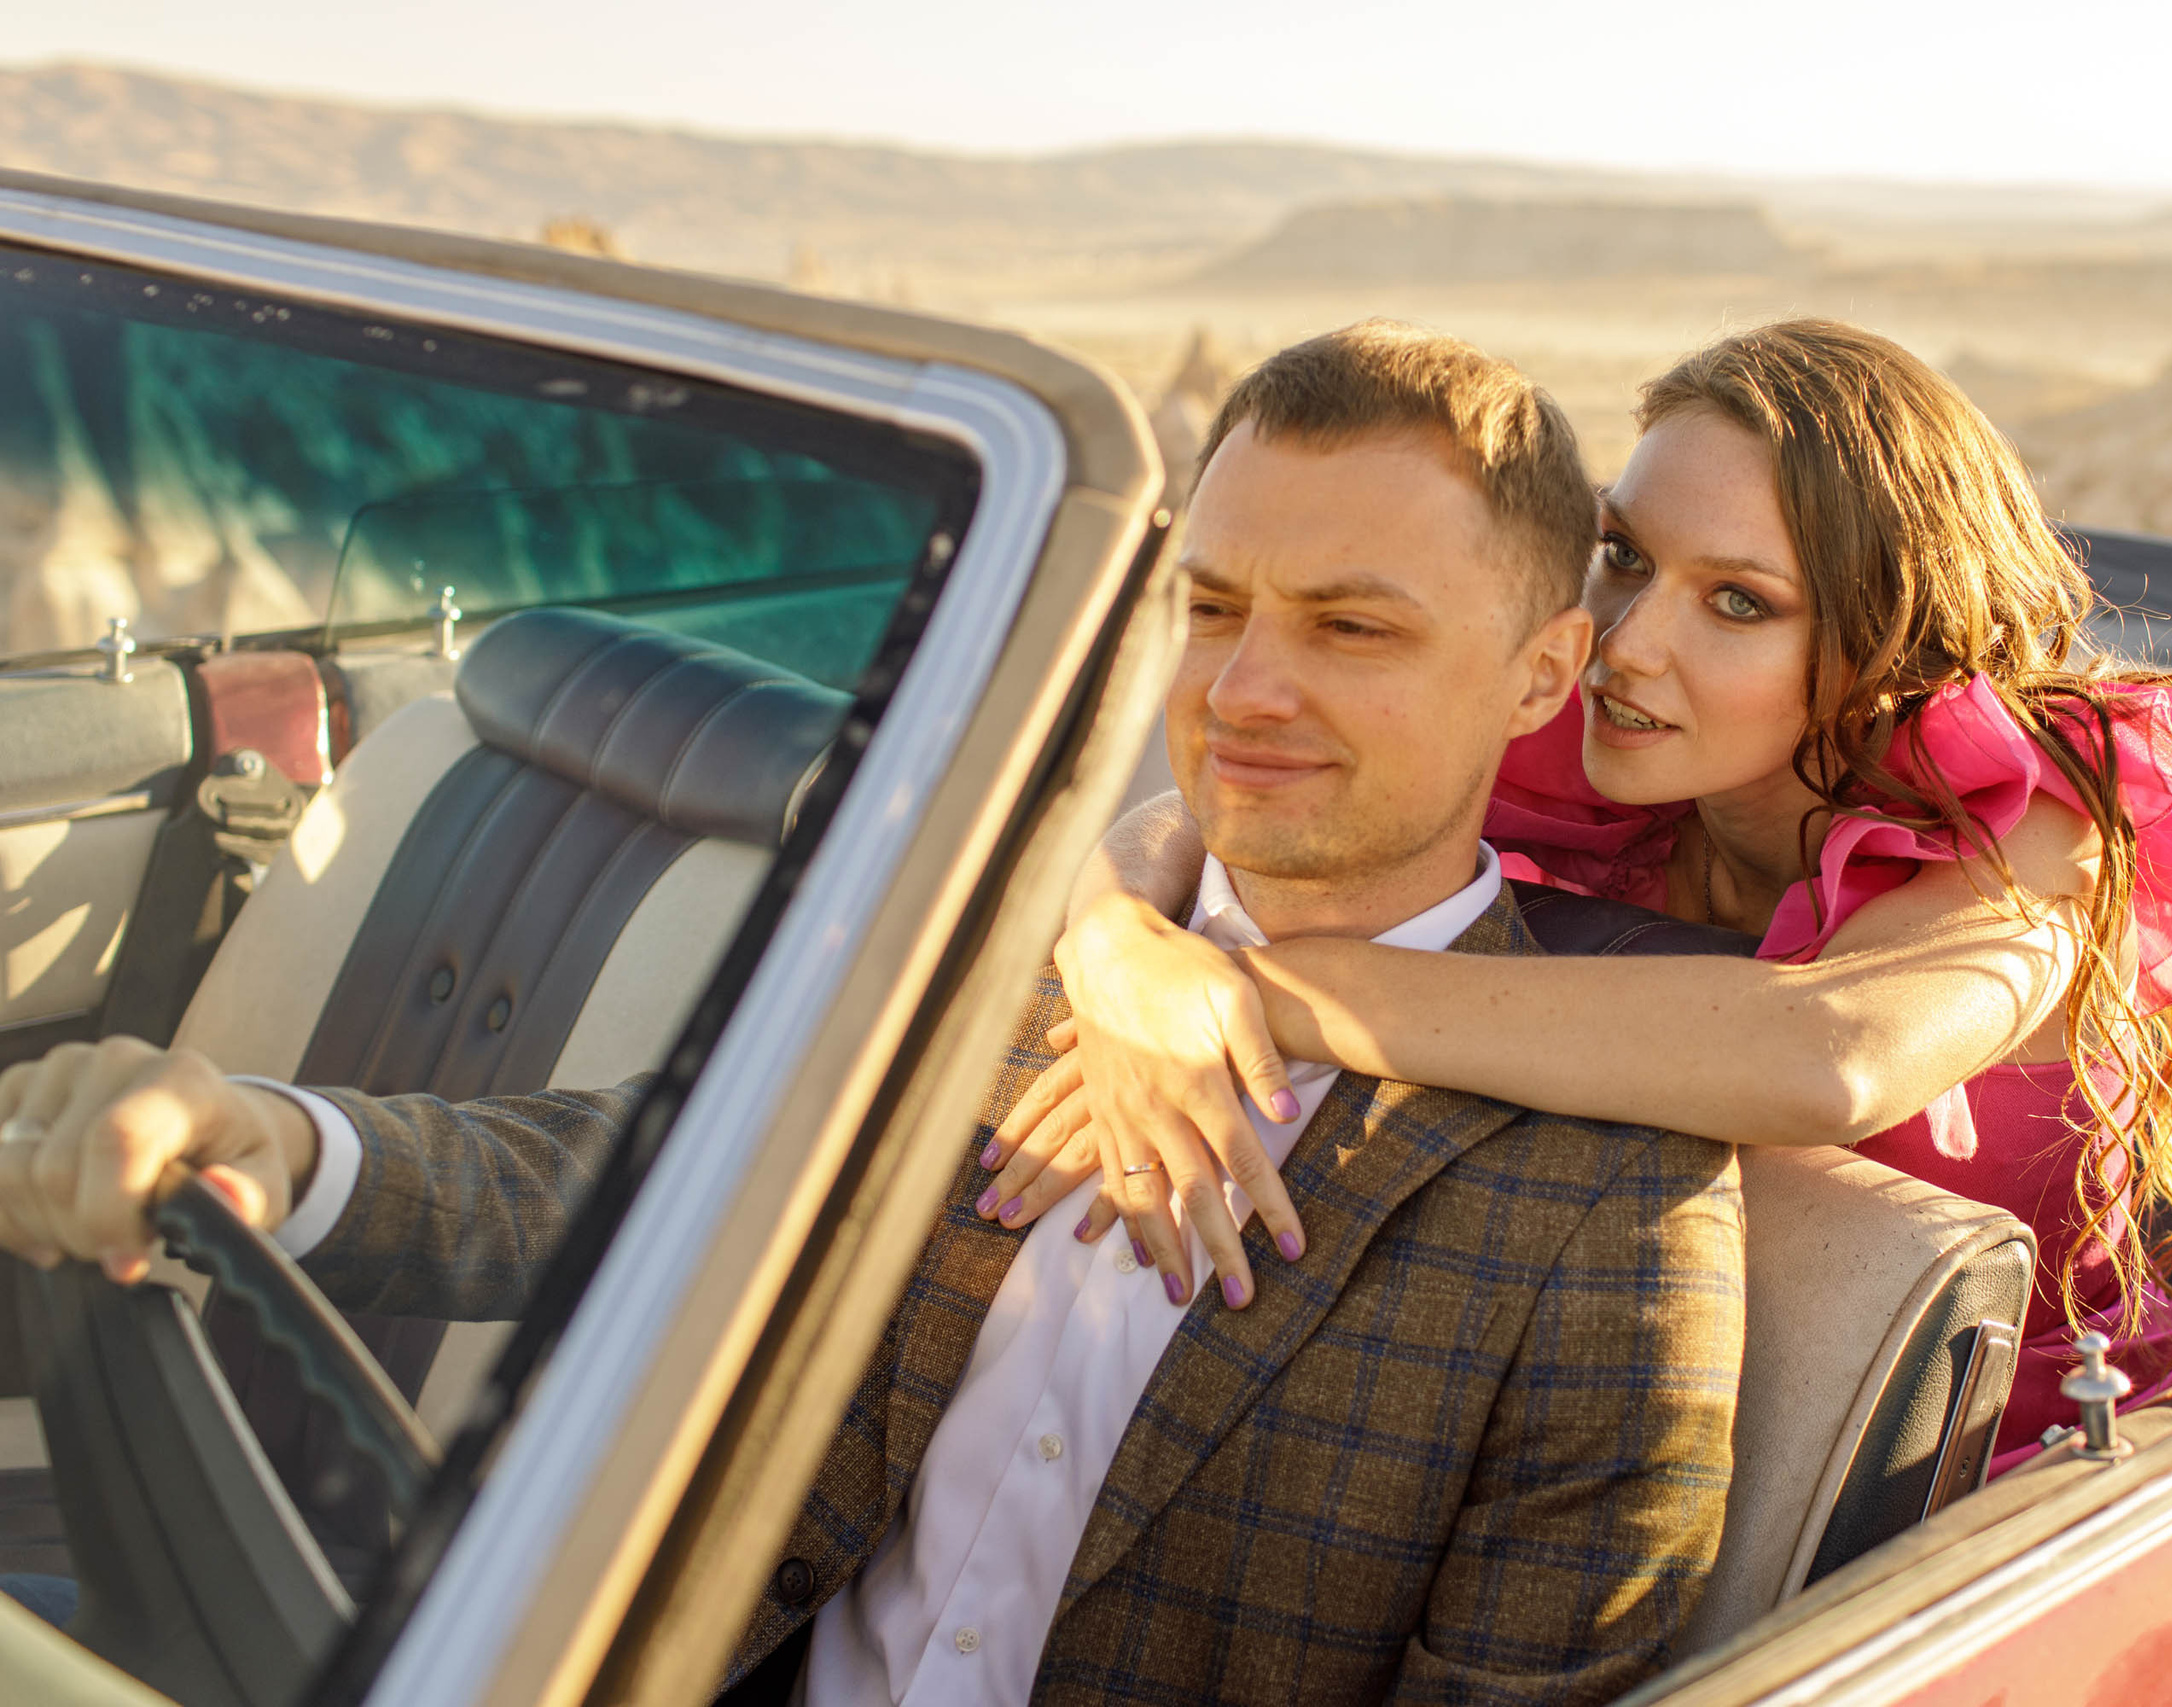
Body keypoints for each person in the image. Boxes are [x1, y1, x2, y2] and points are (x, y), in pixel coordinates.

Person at [0, 323, 1744, 1706]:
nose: (1245, 689)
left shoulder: (1616, 1198)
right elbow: (654, 1177)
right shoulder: (1039, 954)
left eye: (1354, 628)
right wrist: (271, 1136)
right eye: (1210, 607)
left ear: (1541, 678)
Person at [985, 318, 2172, 1470]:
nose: (1631, 642)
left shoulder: (2048, 820)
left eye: (1737, 602)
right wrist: (1123, 950)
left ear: (1885, 633)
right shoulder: (1607, 755)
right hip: (1659, 1413)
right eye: (1622, 556)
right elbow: (1206, 802)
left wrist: (1262, 996)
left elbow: (1830, 1054)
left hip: (1998, 1481)